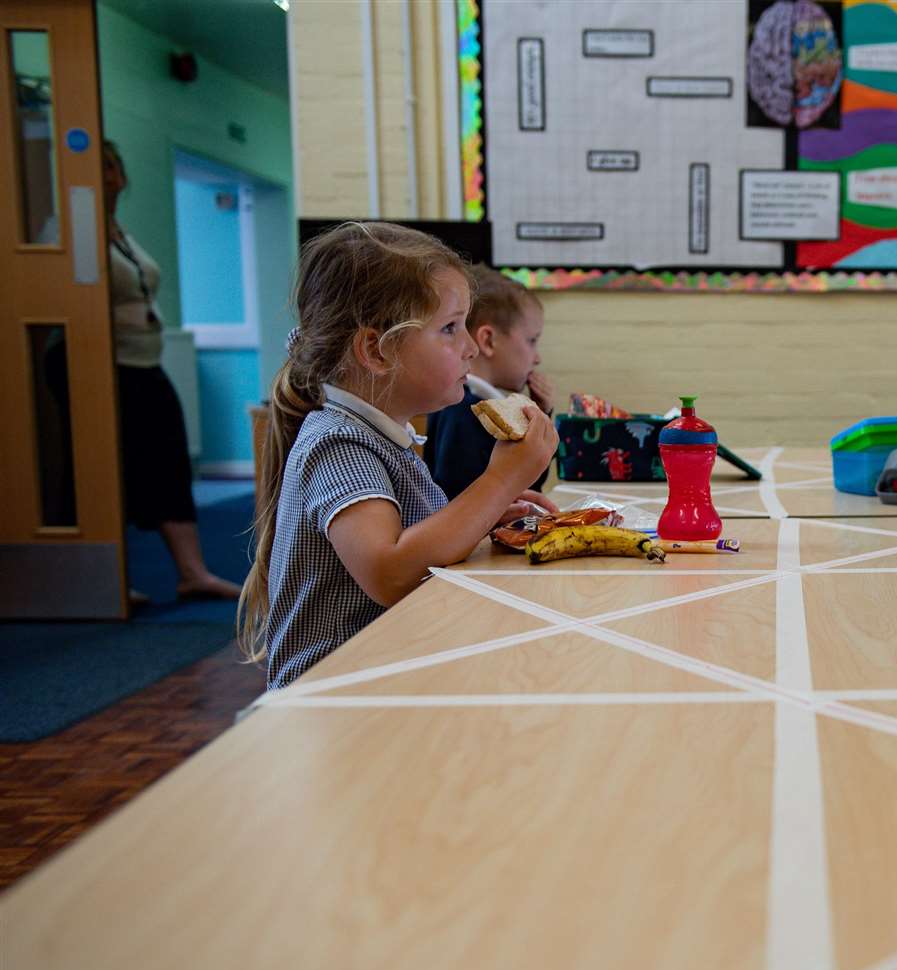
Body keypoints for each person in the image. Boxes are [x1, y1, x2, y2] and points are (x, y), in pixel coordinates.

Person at [236, 222, 559, 689]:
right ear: (376, 349)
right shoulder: (338, 442)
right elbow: (389, 572)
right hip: (333, 705)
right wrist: (499, 481)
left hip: (386, 679)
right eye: (449, 328)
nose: (469, 347)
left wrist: (481, 518)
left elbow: (411, 543)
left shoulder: (387, 438)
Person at [103, 140, 239, 602]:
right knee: (113, 465)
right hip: (103, 366)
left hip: (144, 359)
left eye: (113, 166)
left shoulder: (121, 232)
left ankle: (192, 571)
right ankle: (108, 578)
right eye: (100, 167)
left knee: (168, 457)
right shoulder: (71, 232)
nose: (110, 175)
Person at [424, 264, 553, 499]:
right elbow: (458, 499)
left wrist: (539, 420)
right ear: (488, 341)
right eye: (532, 341)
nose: (537, 358)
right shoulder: (462, 408)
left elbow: (529, 483)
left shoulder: (487, 404)